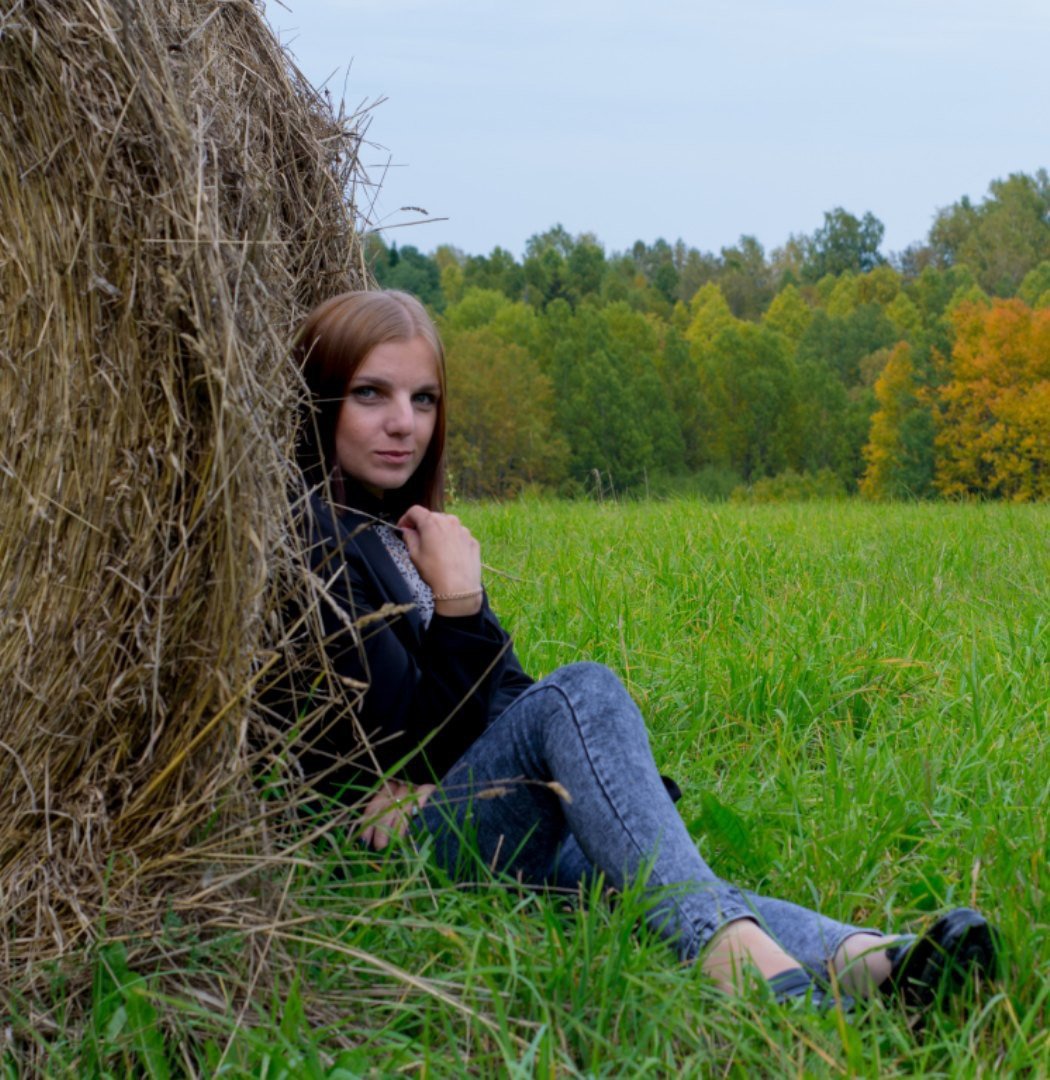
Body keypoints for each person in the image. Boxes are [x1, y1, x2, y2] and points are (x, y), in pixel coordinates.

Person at [285, 288, 998, 1012]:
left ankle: (876, 962)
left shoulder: (406, 533)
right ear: (321, 398)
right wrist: (462, 609)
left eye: (425, 399)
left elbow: (504, 696)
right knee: (581, 692)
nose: (404, 423)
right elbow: (394, 745)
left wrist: (465, 629)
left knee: (635, 868)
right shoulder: (308, 543)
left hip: (452, 817)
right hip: (378, 855)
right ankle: (754, 982)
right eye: (372, 394)